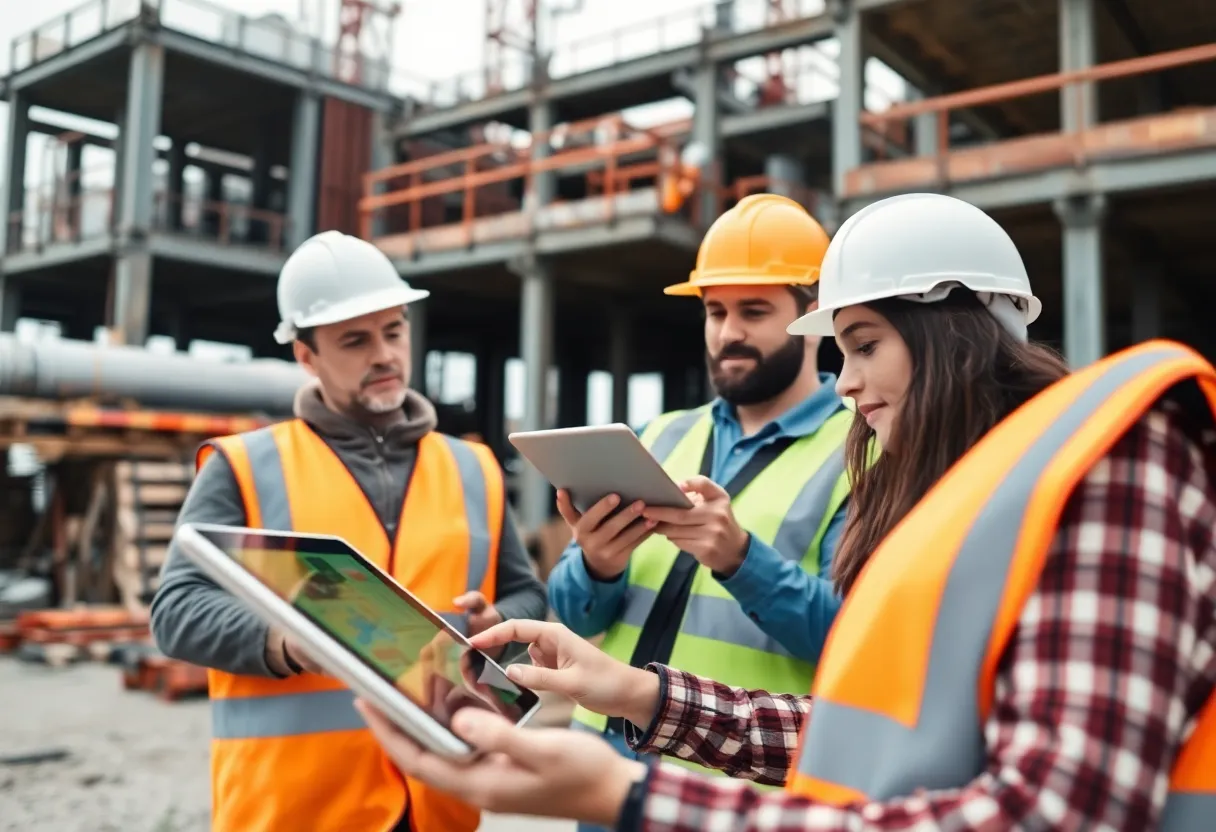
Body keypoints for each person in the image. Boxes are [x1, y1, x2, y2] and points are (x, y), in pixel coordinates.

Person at [354, 193, 1216, 831]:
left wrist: (637, 789)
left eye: (865, 345)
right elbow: (875, 724)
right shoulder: (966, 487)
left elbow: (1050, 812)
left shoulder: (1112, 464)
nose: (848, 383)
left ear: (954, 329)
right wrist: (634, 690)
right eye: (714, 311)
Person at [149, 230, 548, 832]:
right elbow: (176, 611)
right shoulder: (246, 466)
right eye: (355, 341)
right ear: (306, 356)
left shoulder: (474, 468)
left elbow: (526, 595)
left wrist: (497, 623)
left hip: (439, 801)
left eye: (394, 331)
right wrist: (286, 641)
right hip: (295, 809)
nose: (383, 355)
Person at [545, 193, 854, 792]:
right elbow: (575, 612)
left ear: (813, 314)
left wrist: (741, 560)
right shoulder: (658, 436)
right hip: (603, 767)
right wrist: (597, 566)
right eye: (715, 311)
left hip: (727, 782)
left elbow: (854, 641)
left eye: (754, 311)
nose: (728, 333)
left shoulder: (861, 455)